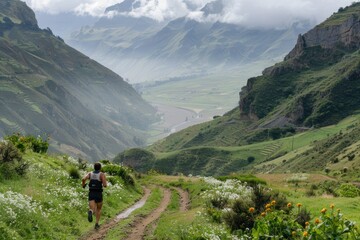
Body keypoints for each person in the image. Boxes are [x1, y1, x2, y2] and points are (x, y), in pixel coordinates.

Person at [82, 162, 107, 230]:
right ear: (100, 168)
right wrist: (103, 183)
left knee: (92, 208)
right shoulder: (101, 174)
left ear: (94, 167)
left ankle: (90, 212)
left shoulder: (90, 173)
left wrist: (83, 185)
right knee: (98, 209)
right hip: (98, 193)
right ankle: (96, 224)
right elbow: (105, 185)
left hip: (91, 193)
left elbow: (83, 179)